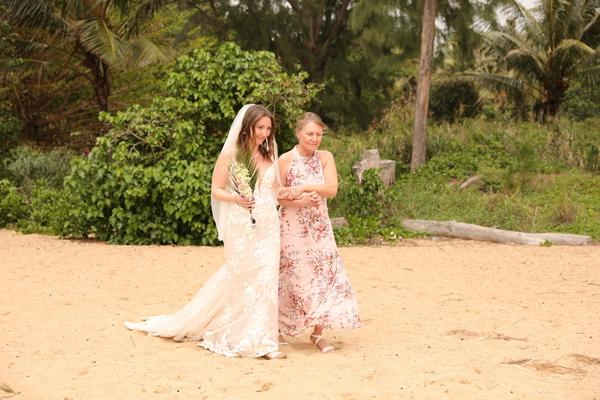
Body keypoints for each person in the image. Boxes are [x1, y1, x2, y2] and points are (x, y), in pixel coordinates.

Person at [125, 104, 286, 359]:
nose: (265, 133)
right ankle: (235, 332)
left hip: (268, 224)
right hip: (242, 223)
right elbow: (216, 190)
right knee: (240, 275)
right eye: (260, 128)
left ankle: (262, 338)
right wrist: (238, 199)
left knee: (266, 278)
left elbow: (275, 191)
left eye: (268, 128)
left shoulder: (270, 155)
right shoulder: (232, 154)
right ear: (248, 127)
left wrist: (293, 195)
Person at [277, 112, 360, 353]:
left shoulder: (325, 157)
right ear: (298, 133)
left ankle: (317, 333)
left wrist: (304, 187)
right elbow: (279, 195)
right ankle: (280, 328)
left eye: (319, 134)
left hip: (320, 228)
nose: (315, 139)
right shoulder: (285, 159)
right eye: (310, 133)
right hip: (292, 227)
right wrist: (301, 198)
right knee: (291, 276)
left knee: (326, 276)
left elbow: (331, 189)